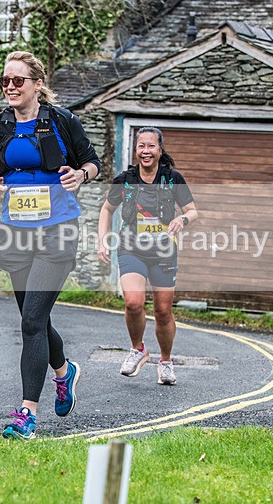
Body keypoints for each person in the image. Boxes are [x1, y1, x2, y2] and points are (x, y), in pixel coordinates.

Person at [0, 51, 101, 440]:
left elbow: (92, 163)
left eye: (18, 80)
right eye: (5, 81)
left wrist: (80, 175)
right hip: (15, 232)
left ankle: (26, 413)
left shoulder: (62, 121)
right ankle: (64, 371)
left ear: (37, 84)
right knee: (36, 320)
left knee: (30, 321)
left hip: (57, 229)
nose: (10, 87)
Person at [98, 127, 197, 385]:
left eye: (151, 146)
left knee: (163, 311)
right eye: (141, 146)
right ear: (136, 150)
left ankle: (165, 362)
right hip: (131, 248)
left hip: (163, 251)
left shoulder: (172, 178)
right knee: (133, 303)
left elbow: (192, 211)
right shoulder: (125, 180)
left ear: (160, 150)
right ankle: (138, 349)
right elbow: (107, 209)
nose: (146, 151)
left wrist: (182, 219)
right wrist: (102, 240)